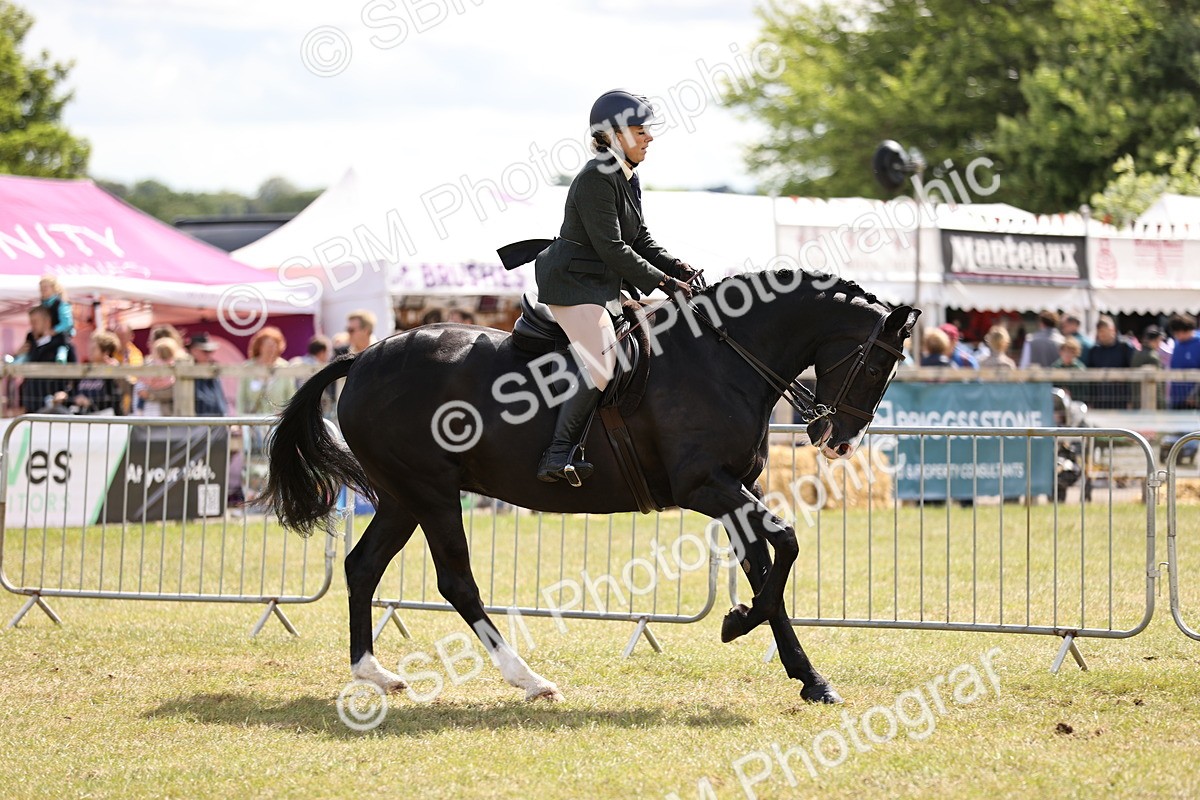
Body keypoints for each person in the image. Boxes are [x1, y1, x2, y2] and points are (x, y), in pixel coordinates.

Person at [530, 89, 698, 484]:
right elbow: (611, 247)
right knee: (604, 361)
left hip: (598, 283)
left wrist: (675, 266)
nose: (649, 137)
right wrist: (662, 282)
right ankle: (556, 455)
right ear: (614, 135)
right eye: (640, 130)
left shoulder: (626, 177)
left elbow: (638, 239)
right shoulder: (596, 177)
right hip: (573, 284)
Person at [17, 305, 76, 413]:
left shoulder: (62, 345)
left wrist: (67, 394)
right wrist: (18, 354)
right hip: (31, 407)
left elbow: (76, 375)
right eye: (31, 322)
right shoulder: (30, 345)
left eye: (35, 322)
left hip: (55, 408)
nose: (32, 326)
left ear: (47, 321)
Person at [238, 326, 293, 416]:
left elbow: (291, 395)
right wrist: (239, 421)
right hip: (252, 421)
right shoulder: (248, 367)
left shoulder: (284, 367)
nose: (271, 349)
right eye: (268, 345)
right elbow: (241, 398)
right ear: (259, 346)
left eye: (274, 345)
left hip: (278, 421)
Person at [1084, 315, 1134, 408]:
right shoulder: (1094, 351)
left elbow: (1133, 374)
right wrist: (1089, 400)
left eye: (1104, 332)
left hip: (1121, 400)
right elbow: (1090, 377)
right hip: (1100, 400)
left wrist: (1131, 399)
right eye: (1100, 332)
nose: (1102, 335)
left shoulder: (1125, 348)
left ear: (1112, 330)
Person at [70, 331, 123, 414]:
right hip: (81, 416)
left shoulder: (113, 373)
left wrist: (90, 402)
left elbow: (114, 399)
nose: (89, 350)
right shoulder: (84, 371)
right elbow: (72, 392)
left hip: (104, 418)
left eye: (94, 348)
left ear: (106, 352)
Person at [186, 332, 228, 416]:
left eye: (209, 351)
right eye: (205, 351)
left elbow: (220, 400)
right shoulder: (187, 371)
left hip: (217, 420)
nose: (209, 355)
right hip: (197, 423)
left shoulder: (213, 369)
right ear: (194, 351)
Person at [136, 338, 182, 416]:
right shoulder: (173, 365)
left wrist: (150, 393)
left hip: (159, 406)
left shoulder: (152, 364)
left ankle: (139, 409)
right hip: (154, 405)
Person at [1169, 313, 1200, 409]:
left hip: (1194, 401)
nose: (1176, 336)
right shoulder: (1177, 344)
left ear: (1187, 331)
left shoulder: (1198, 344)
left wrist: (1196, 394)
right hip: (1176, 398)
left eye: (1178, 333)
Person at [38, 276, 75, 340]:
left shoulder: (61, 303)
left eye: (45, 287)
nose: (42, 290)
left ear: (53, 288)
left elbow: (67, 323)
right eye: (41, 287)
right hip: (48, 338)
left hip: (61, 339)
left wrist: (53, 331)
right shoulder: (43, 304)